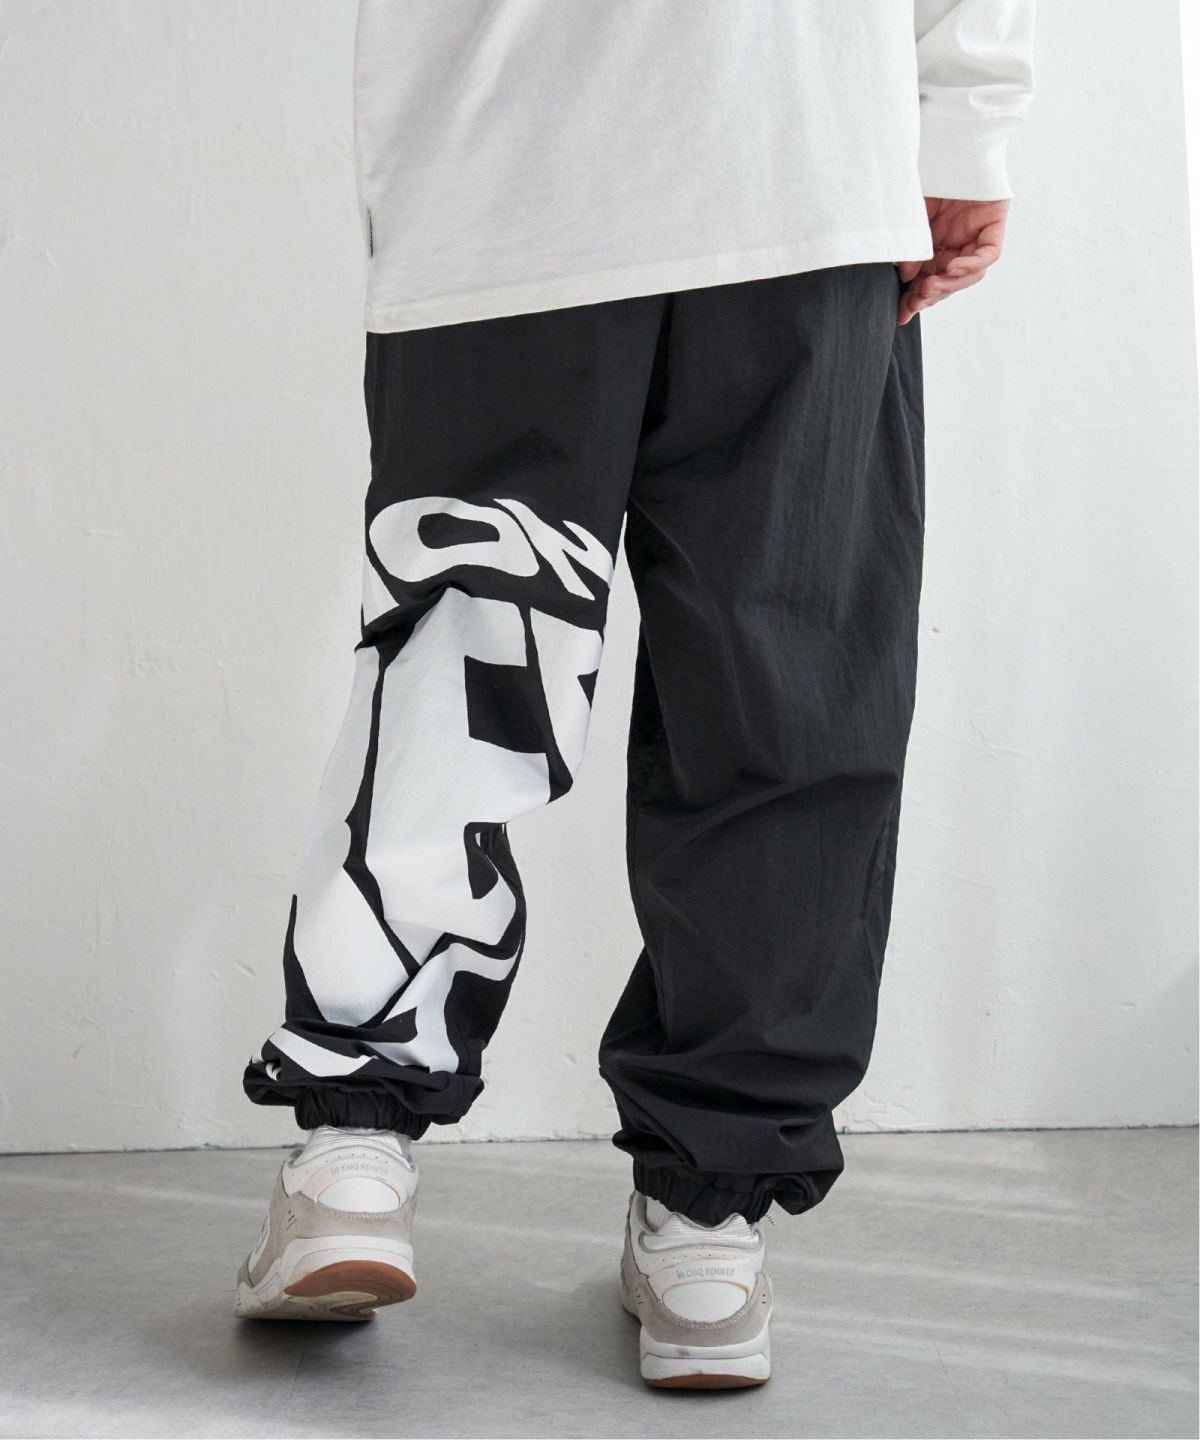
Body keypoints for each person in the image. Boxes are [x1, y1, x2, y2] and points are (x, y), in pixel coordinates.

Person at [234, 0, 1035, 1390]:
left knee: (736, 697)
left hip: (754, 167)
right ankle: (401, 1137)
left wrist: (964, 113)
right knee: (520, 671)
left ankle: (646, 1185)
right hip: (563, 164)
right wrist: (967, 111)